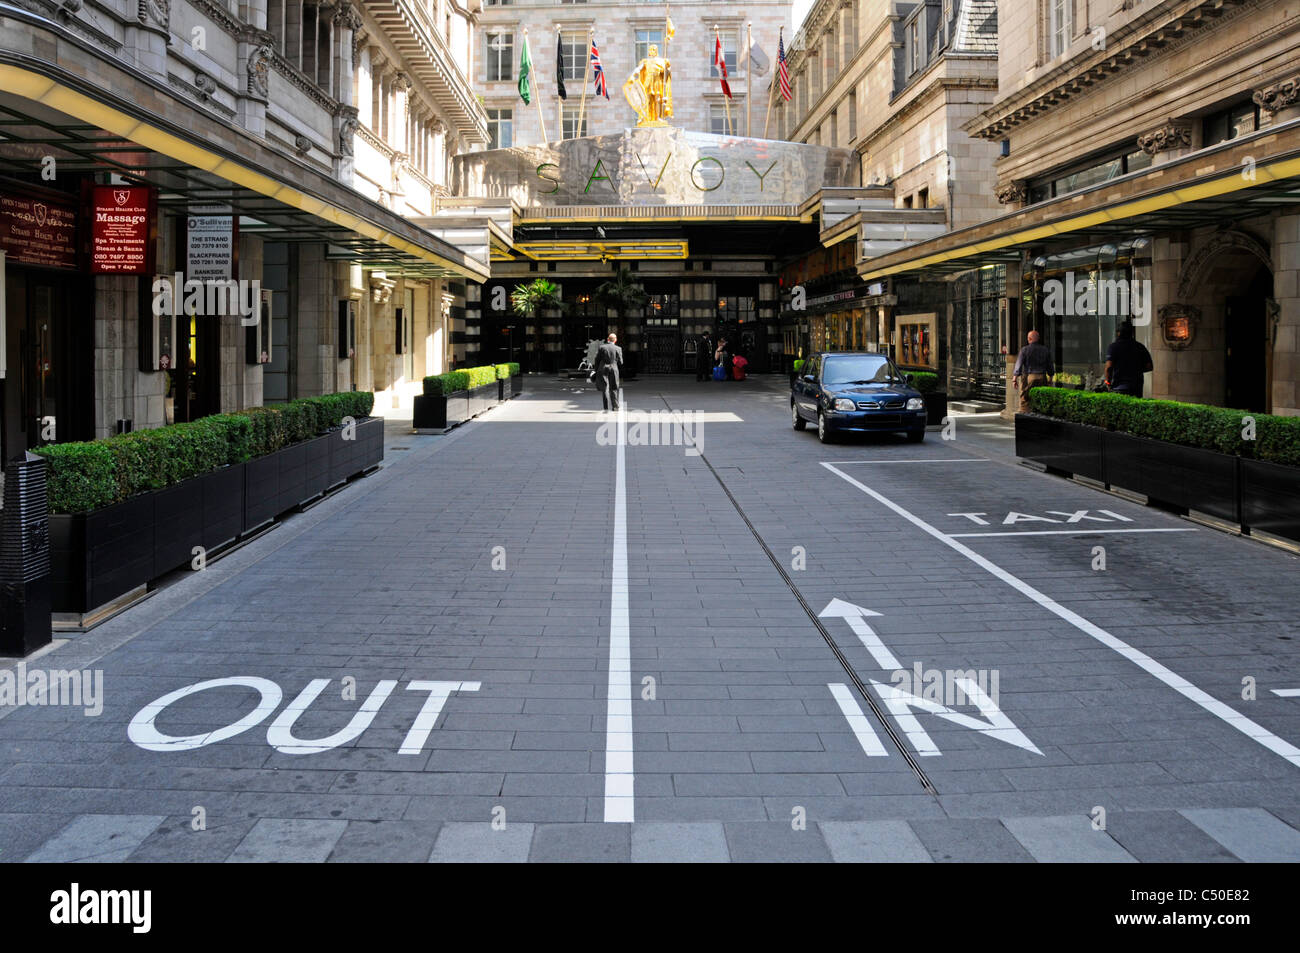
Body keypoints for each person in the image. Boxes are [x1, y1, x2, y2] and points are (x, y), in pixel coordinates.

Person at [1105, 320, 1154, 397]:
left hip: (1119, 388)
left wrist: (1108, 383)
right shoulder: (1140, 347)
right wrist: (1135, 369)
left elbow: (1109, 367)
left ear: (1118, 333)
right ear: (1132, 333)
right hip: (1136, 388)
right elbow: (1149, 367)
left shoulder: (1113, 347)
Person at [1012, 329, 1055, 412]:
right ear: (1038, 339)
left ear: (1029, 339)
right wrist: (1050, 378)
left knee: (1025, 398)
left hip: (1029, 377)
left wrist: (1014, 379)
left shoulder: (1024, 350)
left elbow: (1019, 364)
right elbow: (1050, 365)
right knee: (1041, 398)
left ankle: (1026, 416)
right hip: (1042, 376)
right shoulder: (1045, 349)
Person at [593, 332, 623, 411]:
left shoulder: (602, 347)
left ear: (608, 339)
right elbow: (621, 362)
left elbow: (597, 360)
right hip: (613, 368)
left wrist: (596, 370)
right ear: (615, 340)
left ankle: (605, 407)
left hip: (603, 368)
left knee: (605, 388)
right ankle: (615, 406)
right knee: (614, 387)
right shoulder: (618, 348)